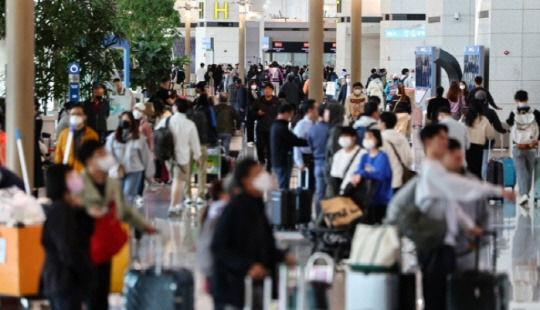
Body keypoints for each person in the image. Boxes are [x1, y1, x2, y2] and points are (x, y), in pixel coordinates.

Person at [414, 124, 514, 310]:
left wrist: (468, 225)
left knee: (447, 295)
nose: (445, 141)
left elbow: (450, 204)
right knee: (437, 297)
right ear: (428, 142)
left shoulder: (436, 170)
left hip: (445, 244)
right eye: (441, 138)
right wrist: (497, 190)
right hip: (434, 244)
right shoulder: (431, 170)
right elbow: (460, 187)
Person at [77, 140, 156, 310]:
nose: (107, 157)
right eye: (101, 154)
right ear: (89, 161)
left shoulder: (112, 183)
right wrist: (89, 209)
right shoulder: (77, 183)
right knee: (89, 292)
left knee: (102, 290)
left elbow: (125, 209)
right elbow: (67, 208)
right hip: (83, 248)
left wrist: (144, 226)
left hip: (105, 246)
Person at [211, 159, 295, 310]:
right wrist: (247, 266)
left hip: (253, 287)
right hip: (232, 290)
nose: (264, 176)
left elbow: (263, 244)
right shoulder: (235, 208)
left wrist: (282, 256)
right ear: (246, 181)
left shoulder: (257, 206)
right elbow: (218, 246)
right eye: (258, 174)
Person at [41, 164, 93, 310]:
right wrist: (84, 268)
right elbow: (67, 247)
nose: (76, 178)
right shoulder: (61, 211)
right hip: (64, 281)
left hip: (61, 280)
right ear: (61, 181)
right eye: (70, 176)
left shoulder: (65, 208)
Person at [441, 139, 490, 272]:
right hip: (439, 252)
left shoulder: (473, 183)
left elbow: (484, 215)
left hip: (467, 250)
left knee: (464, 287)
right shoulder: (432, 181)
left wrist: (480, 241)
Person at [155, 98, 201, 213]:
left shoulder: (166, 121)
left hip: (167, 155)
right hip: (182, 157)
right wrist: (198, 157)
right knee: (178, 181)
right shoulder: (190, 124)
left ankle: (177, 204)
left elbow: (156, 133)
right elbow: (194, 143)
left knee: (175, 179)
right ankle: (173, 205)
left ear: (175, 108)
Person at [105, 112, 155, 204]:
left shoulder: (139, 138)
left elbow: (145, 157)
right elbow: (107, 154)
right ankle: (122, 215)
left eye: (127, 120)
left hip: (134, 171)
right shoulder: (112, 138)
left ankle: (125, 215)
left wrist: (149, 174)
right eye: (123, 120)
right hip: (117, 171)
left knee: (127, 194)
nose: (125, 122)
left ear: (132, 122)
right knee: (117, 196)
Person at [350, 129, 393, 224]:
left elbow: (380, 175)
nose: (366, 140)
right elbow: (358, 170)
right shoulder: (364, 156)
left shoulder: (382, 156)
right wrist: (360, 173)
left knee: (378, 223)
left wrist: (363, 173)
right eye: (365, 137)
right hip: (366, 198)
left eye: (369, 137)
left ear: (377, 139)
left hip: (381, 198)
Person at [185, 82, 218, 205]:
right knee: (202, 169)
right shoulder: (209, 110)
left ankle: (187, 196)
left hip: (190, 144)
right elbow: (214, 125)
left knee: (188, 170)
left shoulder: (192, 113)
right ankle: (201, 195)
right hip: (204, 142)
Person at [506, 90, 540, 207]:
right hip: (531, 146)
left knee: (520, 171)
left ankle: (524, 193)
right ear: (527, 99)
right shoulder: (535, 112)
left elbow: (509, 123)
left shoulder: (514, 113)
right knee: (529, 170)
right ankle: (526, 193)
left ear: (516, 100)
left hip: (518, 146)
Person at [270, 103, 308, 189]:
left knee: (283, 184)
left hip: (279, 160)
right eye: (291, 114)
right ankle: (283, 202)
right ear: (286, 113)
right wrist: (310, 143)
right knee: (284, 186)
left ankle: (284, 201)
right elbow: (293, 140)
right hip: (282, 161)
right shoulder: (280, 127)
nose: (290, 117)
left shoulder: (276, 125)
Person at [55, 103, 99, 173]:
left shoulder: (92, 135)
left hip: (85, 174)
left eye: (78, 114)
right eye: (73, 114)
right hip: (67, 172)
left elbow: (95, 157)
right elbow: (58, 154)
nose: (75, 116)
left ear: (84, 116)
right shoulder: (64, 134)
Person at [380, 112, 413, 192]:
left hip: (385, 182)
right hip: (402, 180)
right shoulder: (402, 138)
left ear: (383, 124)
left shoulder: (380, 139)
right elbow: (410, 159)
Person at [307, 105, 330, 215]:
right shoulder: (331, 129)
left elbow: (310, 146)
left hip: (317, 163)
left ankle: (318, 217)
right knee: (330, 193)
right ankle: (328, 218)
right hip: (329, 164)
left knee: (319, 192)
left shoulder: (312, 129)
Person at [464, 100, 495, 179]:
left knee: (467, 169)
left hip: (466, 147)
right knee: (477, 171)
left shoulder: (464, 119)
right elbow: (491, 135)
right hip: (478, 148)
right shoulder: (483, 120)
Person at [330, 126, 365, 194]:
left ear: (354, 137)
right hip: (342, 191)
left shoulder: (363, 154)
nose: (343, 139)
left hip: (358, 191)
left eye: (345, 136)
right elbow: (335, 177)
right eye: (341, 136)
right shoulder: (338, 155)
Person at [254, 83, 281, 172]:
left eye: (269, 89)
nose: (267, 90)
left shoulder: (277, 102)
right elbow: (251, 113)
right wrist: (257, 114)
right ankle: (261, 162)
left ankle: (269, 166)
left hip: (272, 129)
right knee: (260, 147)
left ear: (272, 90)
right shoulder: (259, 101)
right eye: (266, 89)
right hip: (261, 129)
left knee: (271, 149)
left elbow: (280, 115)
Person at [293, 100, 317, 191]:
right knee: (305, 187)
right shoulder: (301, 125)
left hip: (315, 158)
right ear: (310, 110)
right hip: (305, 159)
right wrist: (299, 161)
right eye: (316, 109)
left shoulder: (317, 123)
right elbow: (296, 144)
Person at [246, 81, 260, 146]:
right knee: (250, 126)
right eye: (253, 84)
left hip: (256, 110)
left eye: (255, 84)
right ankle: (250, 140)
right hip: (250, 111)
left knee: (257, 125)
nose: (254, 85)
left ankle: (256, 138)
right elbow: (249, 101)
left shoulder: (257, 91)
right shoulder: (248, 92)